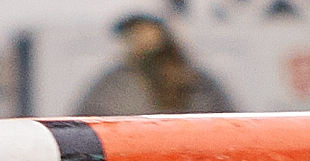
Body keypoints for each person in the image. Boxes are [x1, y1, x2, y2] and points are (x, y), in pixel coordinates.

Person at [74, 14, 233, 116]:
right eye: (132, 33)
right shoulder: (116, 83)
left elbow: (222, 122)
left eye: (143, 30)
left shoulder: (196, 81)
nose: (138, 38)